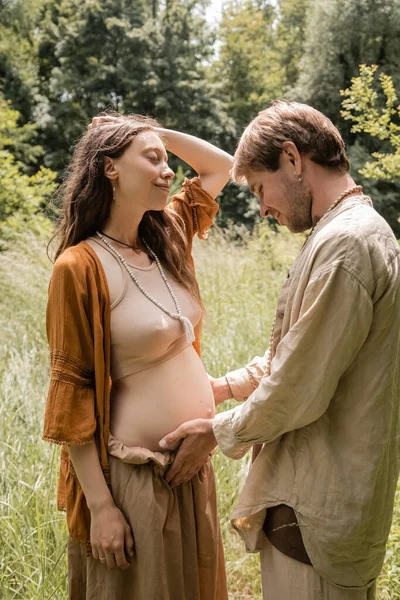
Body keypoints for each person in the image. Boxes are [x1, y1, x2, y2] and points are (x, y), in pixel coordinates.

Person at [159, 101, 400, 600]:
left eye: (260, 189)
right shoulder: (343, 232)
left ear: (292, 159)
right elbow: (296, 354)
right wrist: (222, 387)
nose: (264, 208)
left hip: (317, 510)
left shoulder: (346, 245)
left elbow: (300, 388)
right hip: (309, 504)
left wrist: (216, 432)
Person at [42, 113, 232, 600]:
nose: (167, 169)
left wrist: (150, 134)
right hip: (134, 481)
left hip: (193, 468)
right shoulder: (79, 267)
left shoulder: (166, 236)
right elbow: (73, 398)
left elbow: (221, 167)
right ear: (109, 167)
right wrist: (102, 507)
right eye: (152, 160)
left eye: (167, 160)